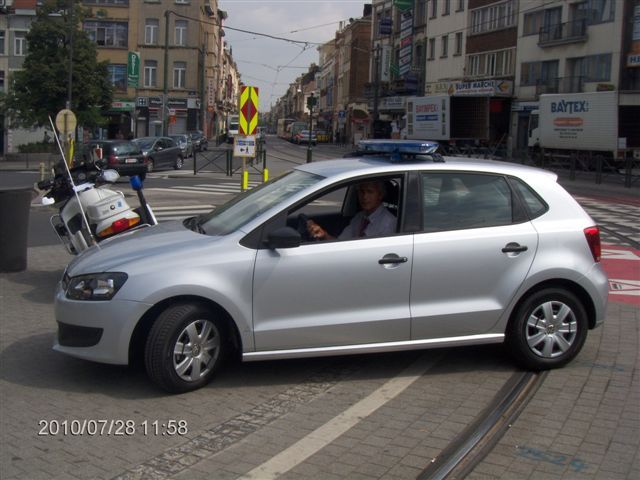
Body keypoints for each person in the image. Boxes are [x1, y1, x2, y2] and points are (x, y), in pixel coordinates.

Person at [307, 181, 396, 241]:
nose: (364, 197)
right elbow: (340, 243)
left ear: (380, 195)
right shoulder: (359, 217)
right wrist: (324, 235)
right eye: (361, 191)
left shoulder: (388, 223)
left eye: (370, 192)